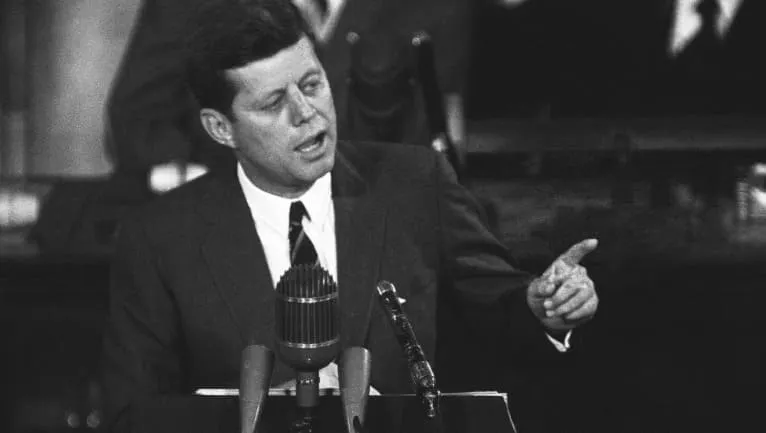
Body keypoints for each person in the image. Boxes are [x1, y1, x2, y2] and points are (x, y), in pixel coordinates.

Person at [99, 0, 599, 432]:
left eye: (312, 84)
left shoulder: (414, 185)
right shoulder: (160, 240)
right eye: (273, 104)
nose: (306, 113)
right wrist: (264, 415)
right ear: (220, 128)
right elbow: (131, 416)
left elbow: (501, 305)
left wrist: (544, 306)